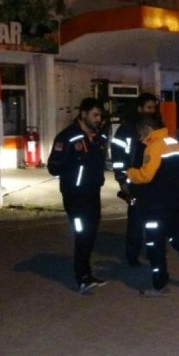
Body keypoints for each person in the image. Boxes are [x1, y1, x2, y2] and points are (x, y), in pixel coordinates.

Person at [126, 115, 179, 297]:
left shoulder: (154, 146)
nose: (140, 136)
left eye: (141, 132)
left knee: (155, 245)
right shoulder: (174, 143)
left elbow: (146, 175)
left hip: (155, 206)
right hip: (174, 203)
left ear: (147, 128)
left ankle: (159, 286)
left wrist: (130, 173)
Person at [47, 97, 109, 293]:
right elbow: (53, 167)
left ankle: (87, 273)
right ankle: (81, 277)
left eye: (100, 116)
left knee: (90, 234)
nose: (99, 119)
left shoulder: (98, 137)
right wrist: (74, 170)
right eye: (95, 115)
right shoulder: (68, 137)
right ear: (83, 114)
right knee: (82, 234)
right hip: (75, 195)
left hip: (93, 193)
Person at [110, 92, 159, 267]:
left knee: (154, 222)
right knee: (136, 222)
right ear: (139, 108)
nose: (151, 111)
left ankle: (154, 252)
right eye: (148, 107)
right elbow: (118, 157)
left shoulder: (158, 127)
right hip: (134, 182)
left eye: (153, 108)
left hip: (153, 182)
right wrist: (121, 179)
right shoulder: (126, 130)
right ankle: (133, 255)